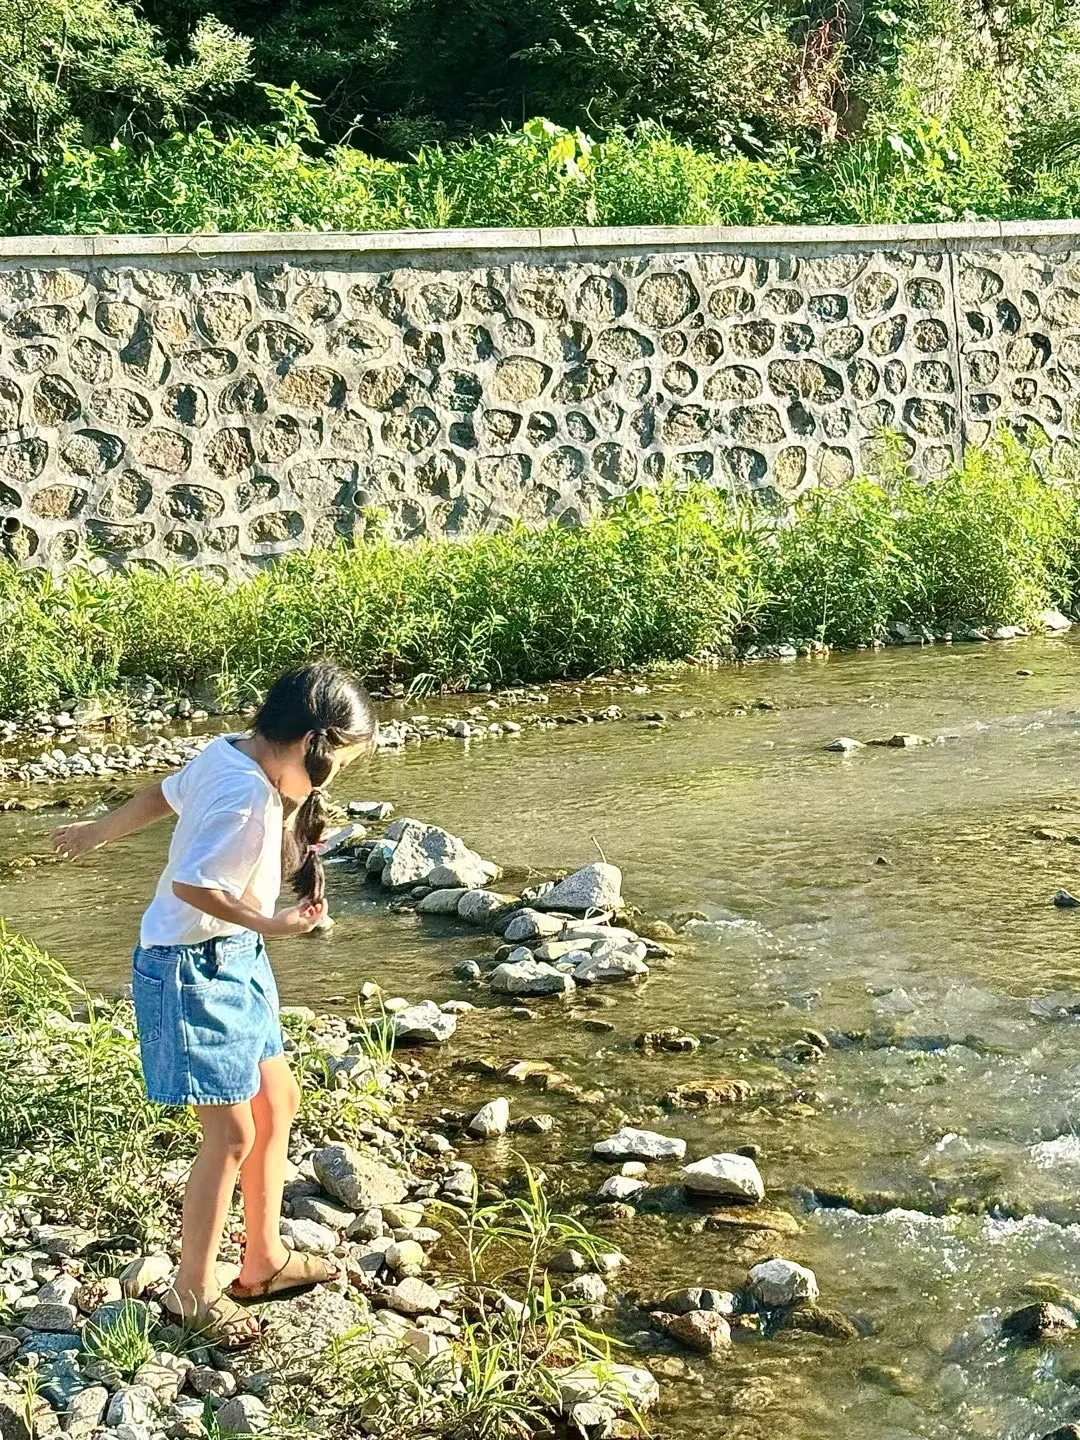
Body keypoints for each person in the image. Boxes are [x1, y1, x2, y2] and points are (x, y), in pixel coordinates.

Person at [54, 661, 376, 1348]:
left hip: (232, 960)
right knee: (229, 1135)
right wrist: (276, 924)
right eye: (336, 765)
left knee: (276, 1100)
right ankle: (192, 1292)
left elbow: (164, 796)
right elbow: (195, 888)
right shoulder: (241, 797)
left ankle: (261, 1260)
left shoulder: (233, 748)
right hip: (190, 970)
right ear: (310, 746)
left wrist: (95, 832)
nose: (333, 780)